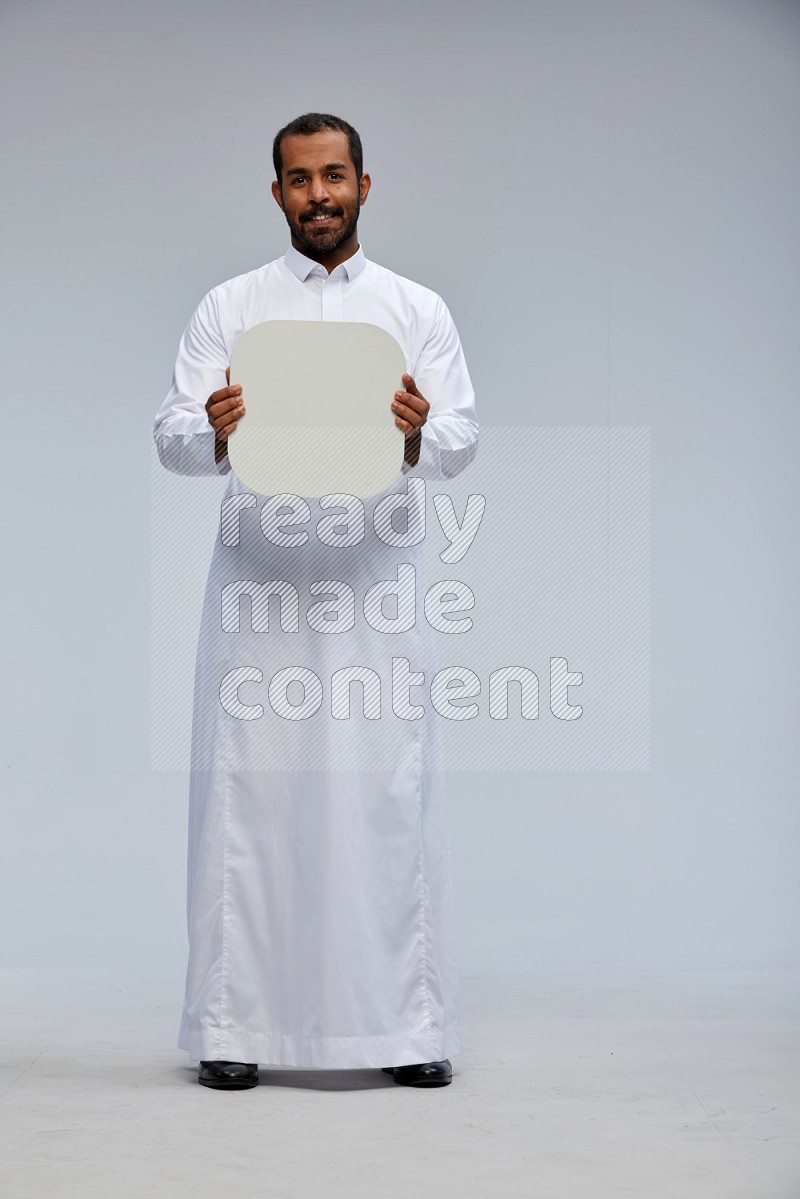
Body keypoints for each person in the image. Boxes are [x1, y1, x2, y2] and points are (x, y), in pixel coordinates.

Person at [152, 112, 479, 1090]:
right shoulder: (231, 307)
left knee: (383, 792)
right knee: (249, 796)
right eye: (299, 180)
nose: (319, 195)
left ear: (365, 186)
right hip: (261, 587)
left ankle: (404, 1024)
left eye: (334, 176)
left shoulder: (414, 308)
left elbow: (462, 440)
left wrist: (421, 432)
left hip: (373, 584)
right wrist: (210, 428)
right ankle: (232, 1020)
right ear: (277, 193)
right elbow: (169, 438)